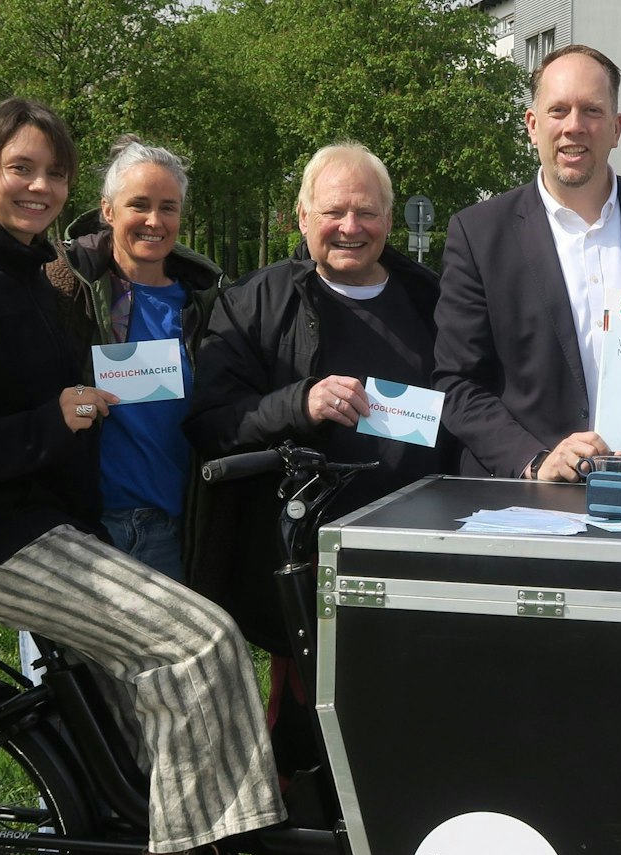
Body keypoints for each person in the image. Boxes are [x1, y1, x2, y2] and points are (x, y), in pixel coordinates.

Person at [0, 98, 291, 855]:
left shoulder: (38, 284)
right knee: (200, 639)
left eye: (52, 171)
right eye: (21, 169)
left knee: (140, 722)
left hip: (56, 527)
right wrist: (51, 420)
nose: (38, 185)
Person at [184, 143, 445, 651]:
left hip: (416, 561)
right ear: (303, 216)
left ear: (388, 219)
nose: (351, 226)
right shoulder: (254, 303)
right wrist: (299, 404)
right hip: (305, 565)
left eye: (366, 212)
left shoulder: (434, 301)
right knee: (309, 723)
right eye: (333, 212)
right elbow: (210, 425)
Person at [433, 44, 621, 484]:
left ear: (616, 127)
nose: (574, 127)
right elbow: (456, 384)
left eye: (592, 111)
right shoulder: (479, 234)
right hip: (528, 499)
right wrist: (535, 459)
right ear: (532, 125)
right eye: (558, 110)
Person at [44, 137, 227, 581]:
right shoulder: (61, 288)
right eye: (139, 205)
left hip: (172, 530)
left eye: (168, 207)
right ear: (108, 211)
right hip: (78, 527)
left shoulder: (208, 302)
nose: (154, 221)